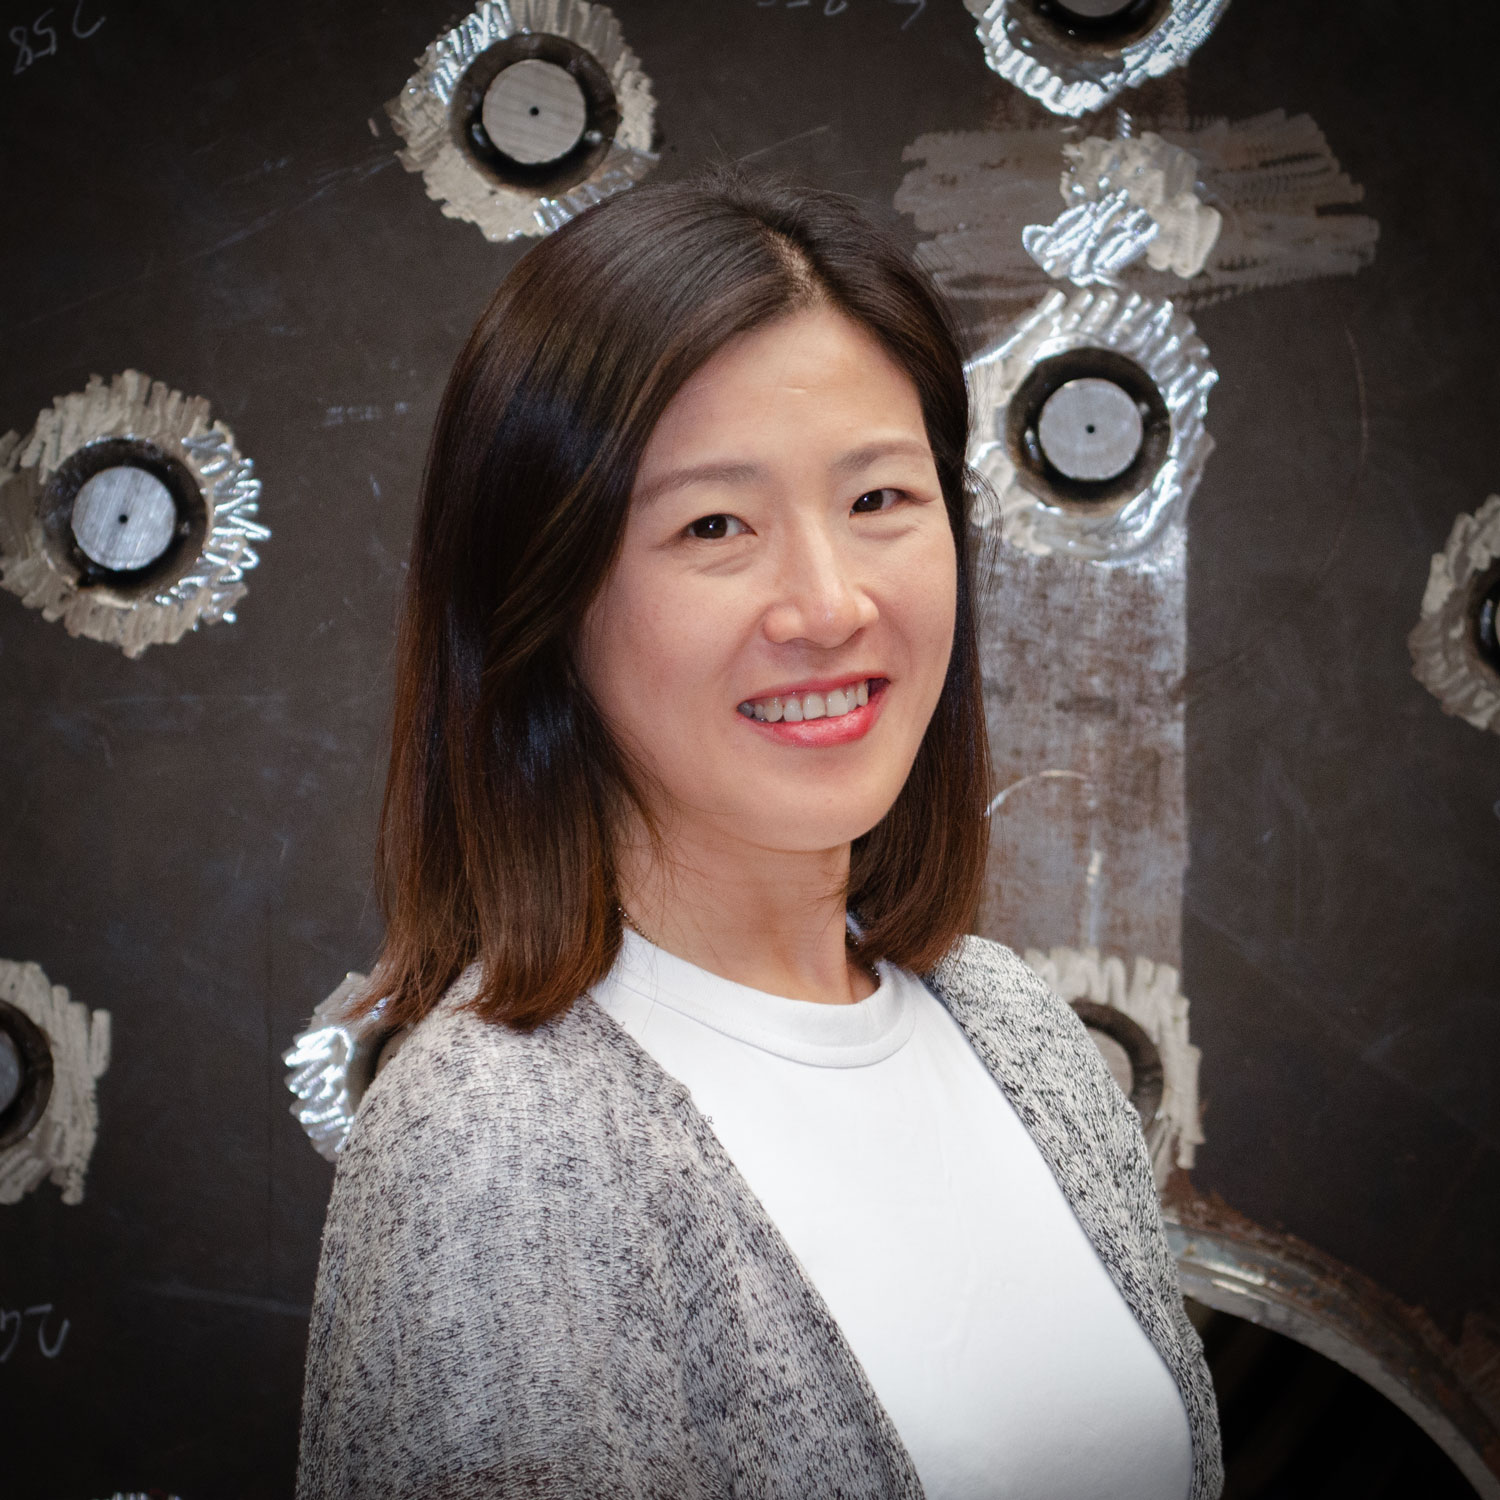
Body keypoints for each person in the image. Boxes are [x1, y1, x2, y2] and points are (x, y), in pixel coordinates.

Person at [295, 168, 1223, 1500]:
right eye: (715, 524)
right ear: (546, 598)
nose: (830, 602)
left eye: (880, 501)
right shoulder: (490, 1143)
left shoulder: (1011, 1028)